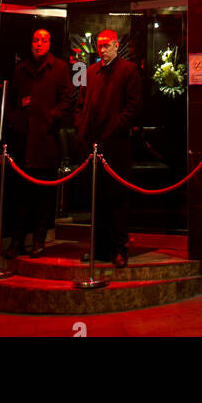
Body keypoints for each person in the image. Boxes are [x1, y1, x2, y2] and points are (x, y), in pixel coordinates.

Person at [74, 29, 141, 268]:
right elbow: (81, 102)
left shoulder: (128, 70)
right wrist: (81, 128)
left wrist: (115, 128)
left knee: (118, 198)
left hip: (116, 145)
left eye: (106, 46)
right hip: (94, 144)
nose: (102, 50)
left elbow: (133, 107)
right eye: (99, 46)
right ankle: (99, 247)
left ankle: (119, 247)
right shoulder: (91, 72)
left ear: (116, 46)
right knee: (97, 198)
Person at [4, 29, 73, 257]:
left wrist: (51, 117)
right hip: (23, 142)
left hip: (45, 141)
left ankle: (39, 241)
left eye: (43, 40)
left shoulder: (60, 68)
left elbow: (67, 99)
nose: (39, 44)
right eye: (35, 40)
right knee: (21, 197)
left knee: (43, 197)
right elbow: (12, 101)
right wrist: (16, 121)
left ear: (50, 43)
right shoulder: (21, 69)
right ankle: (17, 241)